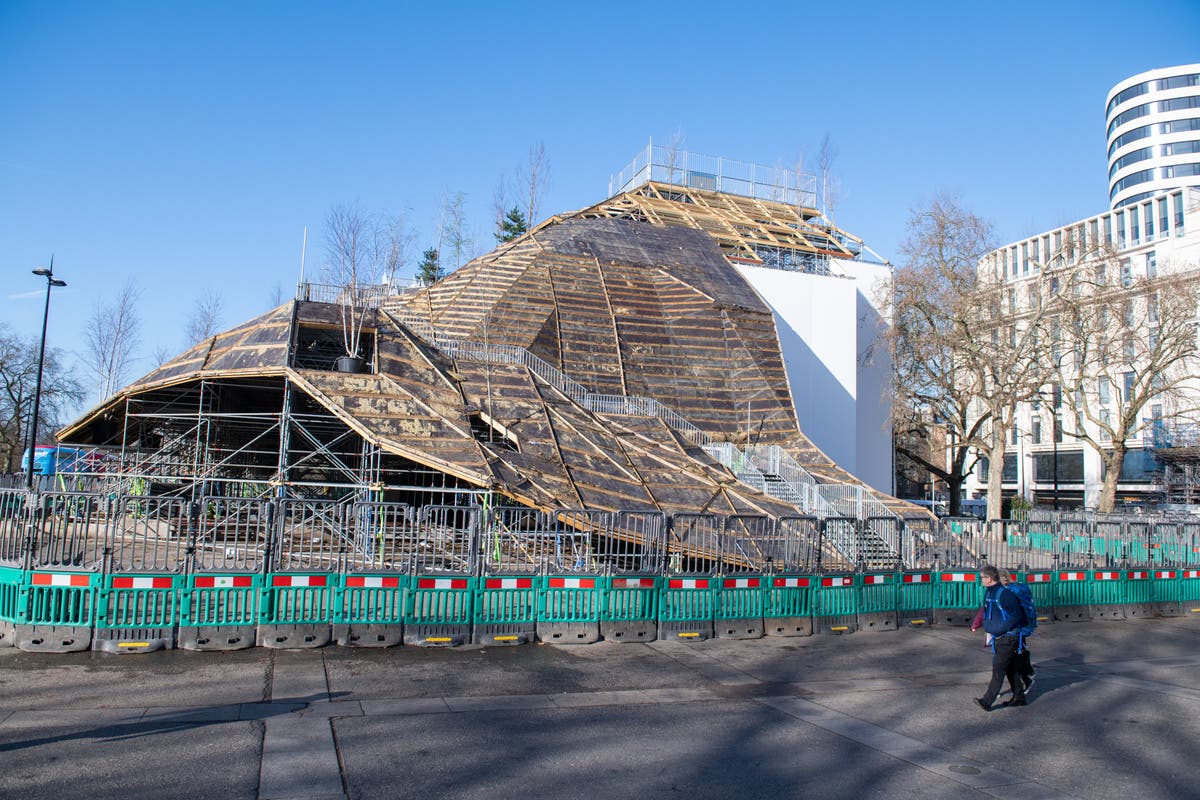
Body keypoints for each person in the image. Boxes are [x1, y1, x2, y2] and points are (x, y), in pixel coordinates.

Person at [975, 564, 1027, 711]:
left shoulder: (1005, 594)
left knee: (998, 668)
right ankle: (1019, 697)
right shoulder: (989, 593)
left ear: (990, 578)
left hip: (1007, 637)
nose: (981, 581)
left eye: (982, 578)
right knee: (1010, 668)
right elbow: (986, 611)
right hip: (998, 636)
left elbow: (1016, 615)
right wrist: (984, 624)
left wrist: (1000, 629)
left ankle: (987, 701)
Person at [1000, 571, 1036, 691]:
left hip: (1015, 628)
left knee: (1009, 658)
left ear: (1004, 579)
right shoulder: (1018, 588)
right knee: (1016, 654)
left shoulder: (1010, 591)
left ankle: (1027, 675)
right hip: (1023, 625)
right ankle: (1026, 676)